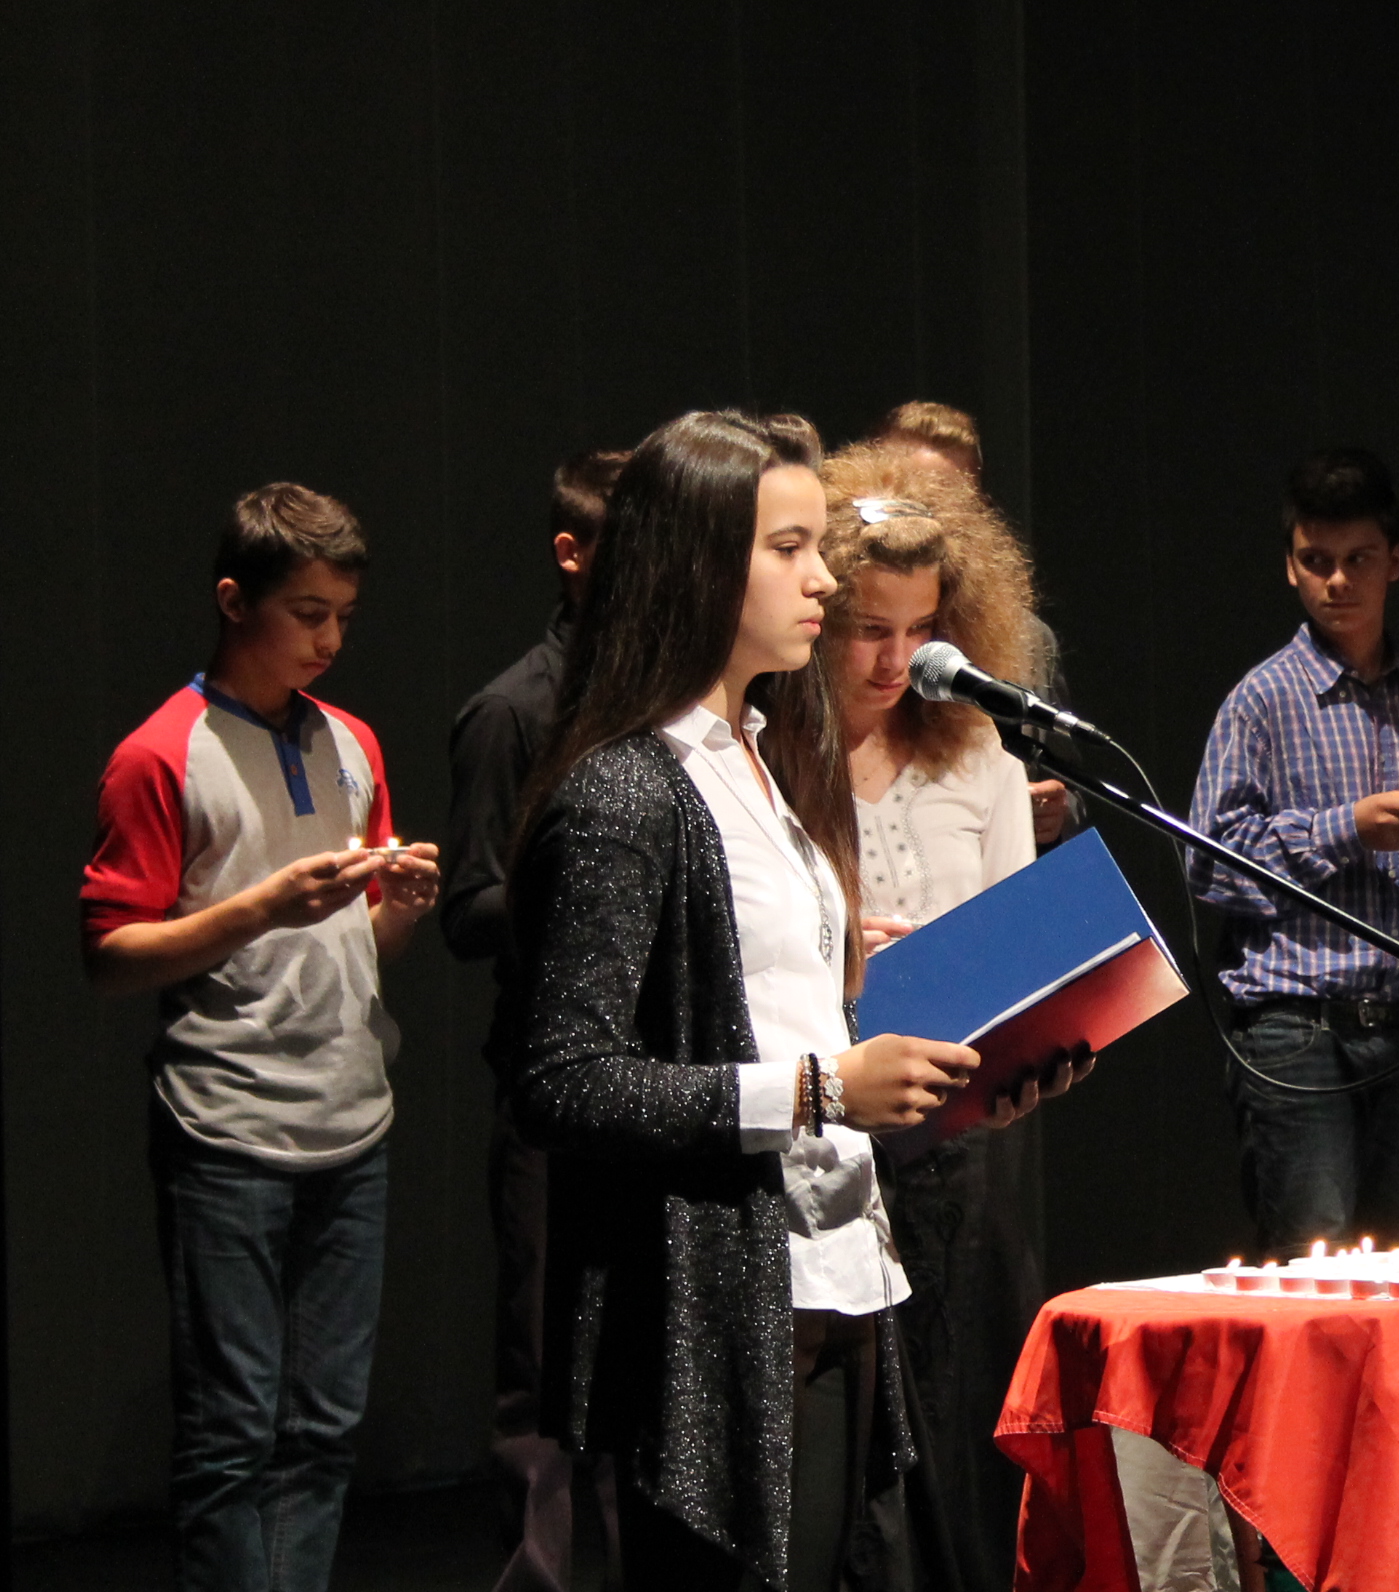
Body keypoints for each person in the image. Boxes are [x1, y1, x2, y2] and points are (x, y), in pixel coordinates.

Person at [507, 409, 1030, 1591]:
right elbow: (564, 1080)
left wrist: (955, 1082)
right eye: (789, 549)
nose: (824, 578)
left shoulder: (763, 758)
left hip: (838, 1263)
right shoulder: (627, 789)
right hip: (722, 1302)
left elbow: (786, 1015)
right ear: (697, 565)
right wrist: (821, 1088)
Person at [79, 483, 443, 1592]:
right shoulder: (162, 753)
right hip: (227, 1128)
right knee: (233, 1430)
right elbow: (110, 955)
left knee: (321, 1427)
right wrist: (260, 907)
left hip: (350, 1119)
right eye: (307, 613)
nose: (329, 640)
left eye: (344, 616)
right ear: (236, 601)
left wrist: (396, 911)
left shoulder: (350, 741)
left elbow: (345, 954)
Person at [815, 441, 1087, 1592]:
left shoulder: (976, 747)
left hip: (945, 1133)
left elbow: (1016, 946)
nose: (895, 660)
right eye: (866, 630)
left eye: (920, 630)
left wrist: (1039, 1046)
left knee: (944, 1404)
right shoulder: (773, 754)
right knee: (840, 1443)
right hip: (817, 1123)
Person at [1189, 447, 1399, 1256]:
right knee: (1311, 1270)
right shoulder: (1262, 700)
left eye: (1359, 560)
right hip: (1299, 1028)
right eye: (1317, 562)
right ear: (1291, 567)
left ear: (1396, 562)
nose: (1338, 581)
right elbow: (1209, 861)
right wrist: (1346, 827)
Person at [442, 447, 628, 1592]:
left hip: (661, 1088)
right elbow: (469, 909)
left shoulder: (674, 703)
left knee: (641, 1374)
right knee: (546, 1371)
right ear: (572, 553)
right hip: (552, 1093)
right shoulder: (512, 711)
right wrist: (593, 889)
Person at [872, 398, 1076, 845]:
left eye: (953, 501)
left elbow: (1064, 779)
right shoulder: (831, 631)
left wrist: (1058, 809)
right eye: (916, 497)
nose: (935, 518)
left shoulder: (1024, 637)